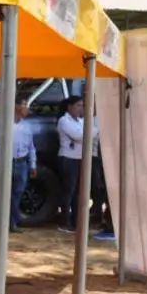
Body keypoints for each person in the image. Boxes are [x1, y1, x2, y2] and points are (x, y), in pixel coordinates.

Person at [0, 96, 35, 232]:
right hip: (6, 163)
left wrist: (33, 164)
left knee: (17, 193)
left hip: (22, 163)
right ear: (16, 106)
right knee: (0, 194)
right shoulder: (1, 122)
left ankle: (12, 223)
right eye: (25, 104)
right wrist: (0, 163)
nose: (27, 108)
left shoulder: (27, 126)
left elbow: (31, 147)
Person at [56, 96, 92, 233]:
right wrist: (92, 131)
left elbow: (88, 133)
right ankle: (64, 222)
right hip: (68, 158)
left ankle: (76, 222)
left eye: (82, 105)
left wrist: (91, 132)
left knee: (78, 192)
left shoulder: (81, 121)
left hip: (79, 158)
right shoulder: (64, 121)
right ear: (69, 107)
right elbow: (80, 136)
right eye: (78, 105)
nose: (81, 108)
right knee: (68, 191)